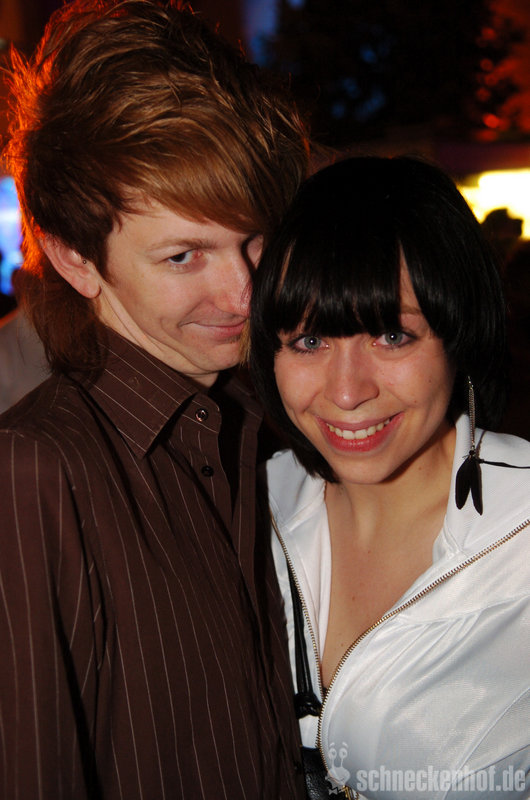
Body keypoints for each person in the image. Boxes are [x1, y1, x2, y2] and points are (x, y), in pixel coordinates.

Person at [0, 1, 310, 798]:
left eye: (255, 239)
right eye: (183, 256)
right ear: (75, 259)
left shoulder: (268, 427)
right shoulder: (31, 474)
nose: (243, 291)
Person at [249, 156, 530, 799]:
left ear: (459, 334)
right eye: (309, 341)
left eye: (392, 336)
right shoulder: (247, 505)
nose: (347, 392)